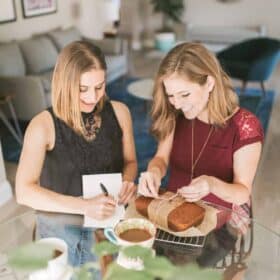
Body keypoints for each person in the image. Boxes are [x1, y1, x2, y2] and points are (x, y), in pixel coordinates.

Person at [16, 41, 137, 267]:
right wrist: (84, 206)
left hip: (111, 224)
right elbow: (24, 192)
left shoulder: (120, 113)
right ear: (64, 83)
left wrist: (128, 181)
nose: (93, 97)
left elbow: (130, 162)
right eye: (82, 89)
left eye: (99, 86)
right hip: (63, 232)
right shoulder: (42, 125)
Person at [138, 42, 263, 231]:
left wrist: (211, 184)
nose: (177, 104)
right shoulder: (175, 114)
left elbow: (242, 193)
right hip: (173, 212)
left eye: (185, 94)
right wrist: (154, 171)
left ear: (209, 83)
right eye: (171, 95)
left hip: (218, 221)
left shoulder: (244, 126)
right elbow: (161, 158)